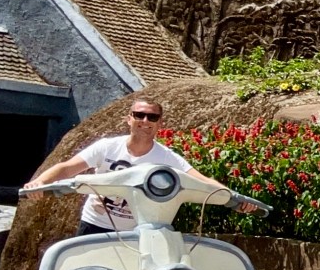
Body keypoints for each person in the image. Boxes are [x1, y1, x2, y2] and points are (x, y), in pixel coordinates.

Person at [23, 99, 254, 234]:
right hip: (94, 226)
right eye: (139, 115)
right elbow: (66, 168)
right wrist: (40, 182)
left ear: (160, 123)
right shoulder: (107, 147)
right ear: (129, 119)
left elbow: (202, 181)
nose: (145, 121)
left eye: (152, 117)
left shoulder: (167, 158)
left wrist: (235, 199)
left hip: (138, 233)